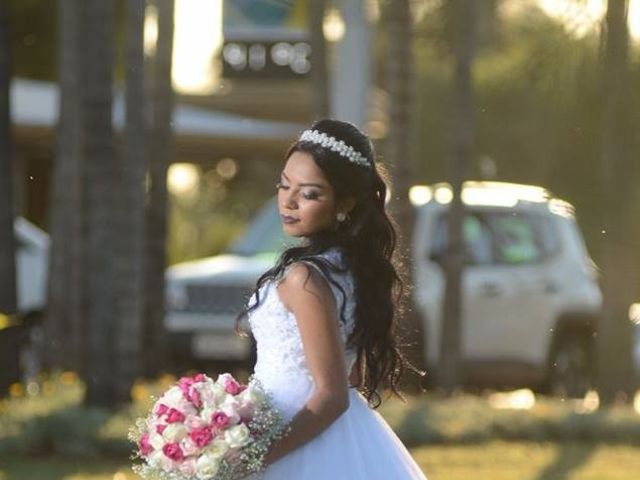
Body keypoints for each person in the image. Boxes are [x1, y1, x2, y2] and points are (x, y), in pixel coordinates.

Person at [238, 119, 428, 479]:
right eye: (284, 185)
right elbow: (351, 372)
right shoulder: (349, 270)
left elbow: (332, 395)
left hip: (295, 439)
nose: (289, 201)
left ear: (344, 203)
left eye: (309, 193)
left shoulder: (305, 278)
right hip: (330, 435)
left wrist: (256, 458)